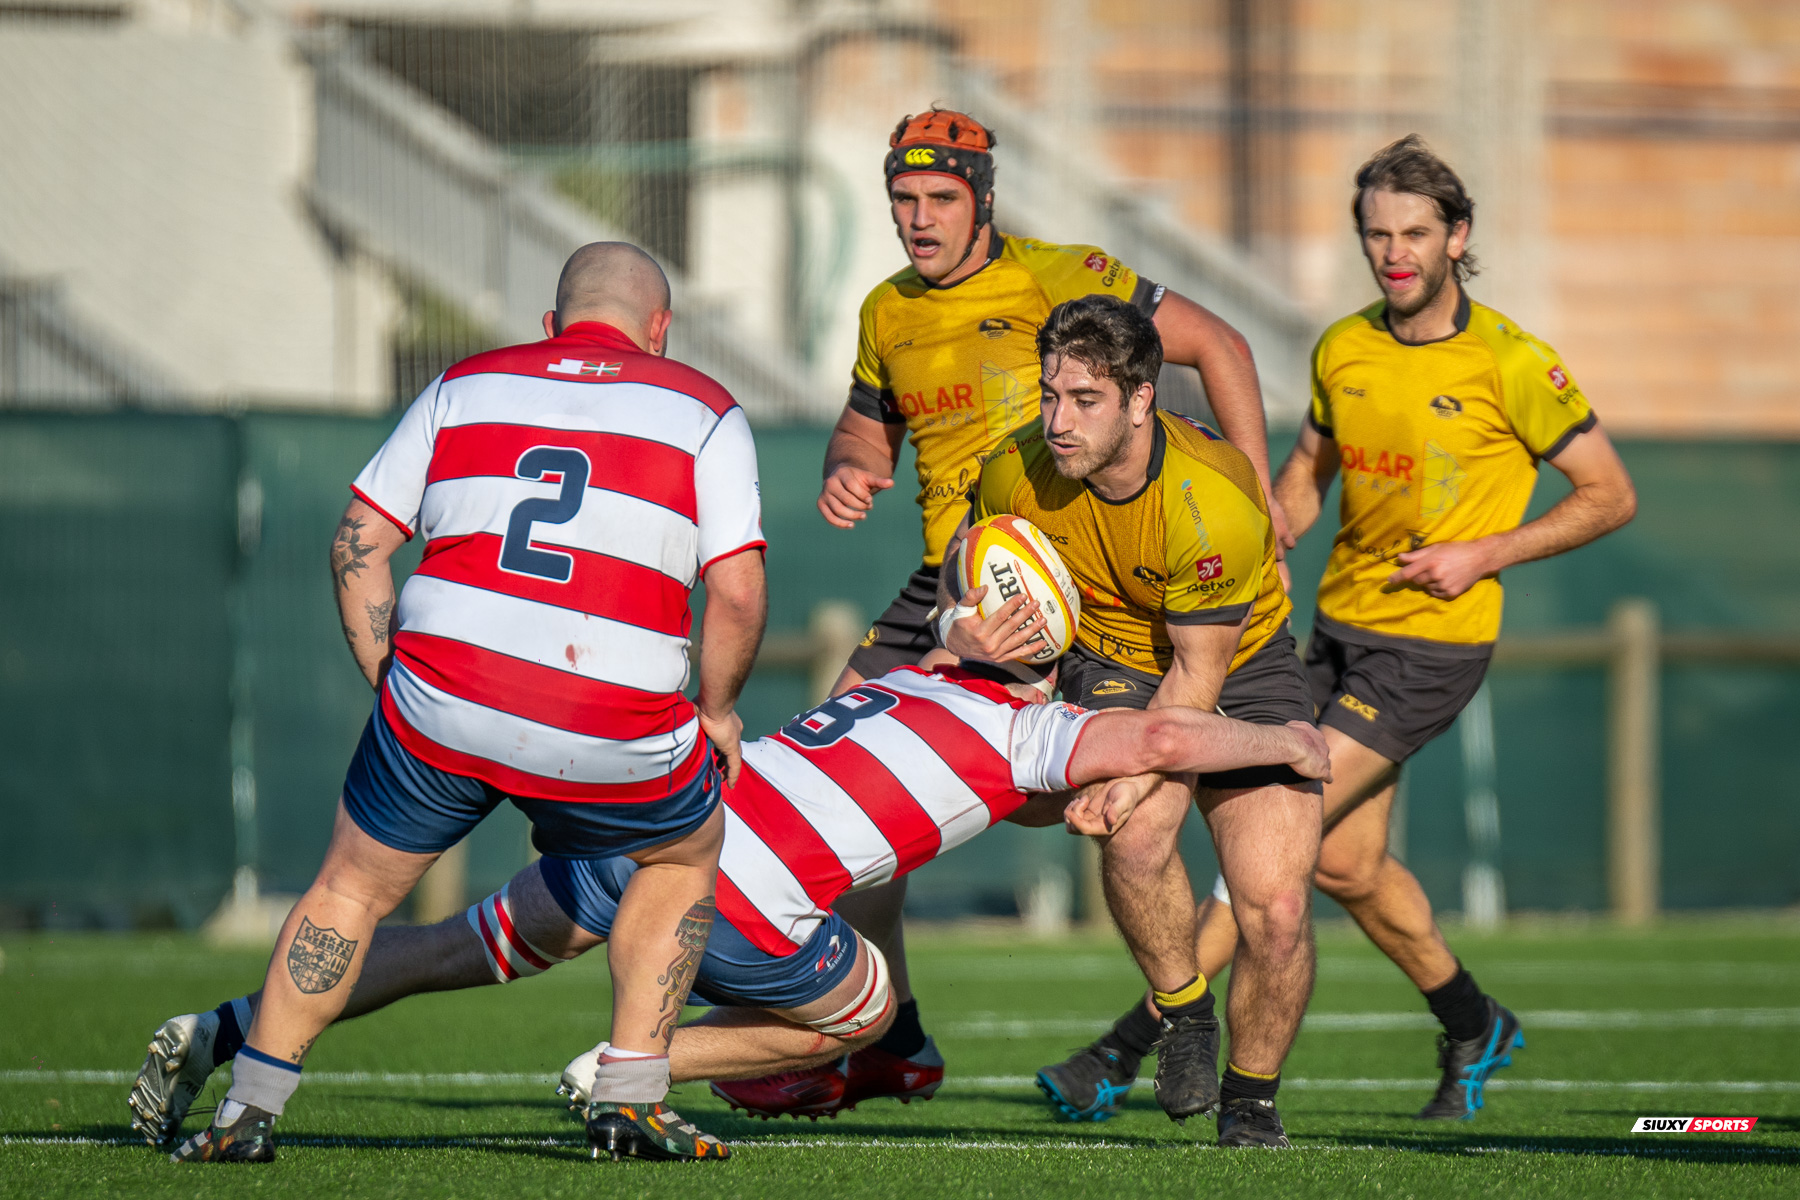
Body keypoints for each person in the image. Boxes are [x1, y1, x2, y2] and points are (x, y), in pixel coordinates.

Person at [129, 658, 1330, 1147]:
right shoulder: (1039, 725)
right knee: (864, 1013)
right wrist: (1281, 735)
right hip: (737, 898)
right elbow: (1166, 728)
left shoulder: (909, 681)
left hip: (643, 839)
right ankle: (628, 1068)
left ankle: (233, 1029)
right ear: (1061, 671)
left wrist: (1082, 786)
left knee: (451, 945)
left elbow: (956, 792)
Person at [158, 242, 769, 1165]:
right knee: (682, 852)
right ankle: (632, 1096)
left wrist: (385, 673)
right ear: (659, 328)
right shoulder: (706, 411)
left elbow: (358, 539)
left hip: (441, 697)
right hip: (608, 721)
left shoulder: (462, 385)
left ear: (552, 325)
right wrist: (717, 712)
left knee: (351, 888)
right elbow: (736, 593)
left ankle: (248, 1111)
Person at [808, 106, 1289, 1107]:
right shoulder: (884, 310)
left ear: (984, 199)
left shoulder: (1066, 276)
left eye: (941, 199)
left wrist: (1263, 496)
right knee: (827, 794)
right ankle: (889, 1034)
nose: (919, 219)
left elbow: (1222, 345)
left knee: (1104, 800)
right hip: (953, 582)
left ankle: (1176, 1024)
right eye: (903, 199)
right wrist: (851, 471)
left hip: (1076, 586)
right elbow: (865, 431)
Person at [1194, 134, 1638, 1120]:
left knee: (1283, 817)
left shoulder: (1513, 361)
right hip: (1338, 629)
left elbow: (1609, 495)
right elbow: (1310, 470)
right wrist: (1274, 527)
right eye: (1377, 234)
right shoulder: (1343, 346)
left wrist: (1484, 552)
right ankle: (1475, 1020)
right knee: (1348, 862)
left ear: (1457, 236)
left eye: (1415, 233)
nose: (1395, 252)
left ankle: (1135, 1036)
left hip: (1434, 645)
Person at [944, 295, 1323, 1148]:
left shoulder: (1213, 499)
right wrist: (954, 628)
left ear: (1142, 399)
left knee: (1278, 908)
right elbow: (963, 575)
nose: (1058, 421)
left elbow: (1198, 676)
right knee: (1140, 836)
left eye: (1085, 401)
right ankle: (1186, 1015)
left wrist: (1138, 769)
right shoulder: (1014, 469)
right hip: (1113, 662)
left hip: (1239, 665)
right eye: (1048, 394)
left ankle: (1253, 1103)